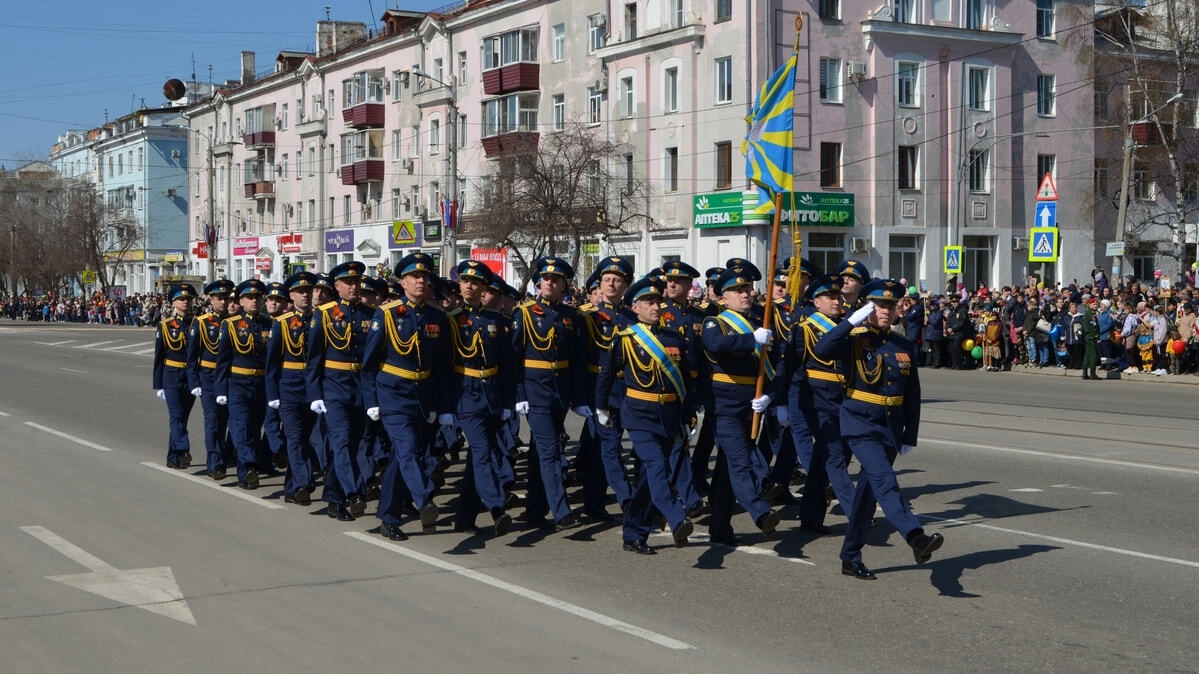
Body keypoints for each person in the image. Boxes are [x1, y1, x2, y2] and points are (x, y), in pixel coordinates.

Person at [812, 279, 944, 580]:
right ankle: (916, 537)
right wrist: (849, 322)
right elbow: (823, 348)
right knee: (885, 480)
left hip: (890, 426)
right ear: (867, 307)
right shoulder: (854, 338)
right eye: (879, 305)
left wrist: (910, 435)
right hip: (859, 423)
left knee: (867, 497)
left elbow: (913, 393)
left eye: (890, 305)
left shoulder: (903, 344)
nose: (886, 310)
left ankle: (850, 556)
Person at [596, 277, 696, 554]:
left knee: (648, 478)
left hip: (668, 414)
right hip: (639, 415)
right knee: (657, 467)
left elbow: (685, 381)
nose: (655, 307)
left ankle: (633, 533)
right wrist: (601, 408)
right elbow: (605, 375)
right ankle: (677, 518)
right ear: (635, 308)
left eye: (657, 302)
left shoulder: (673, 338)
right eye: (649, 303)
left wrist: (688, 417)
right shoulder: (625, 339)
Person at [359, 254, 450, 540]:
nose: (421, 281)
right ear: (403, 282)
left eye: (425, 277)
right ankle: (425, 500)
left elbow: (441, 366)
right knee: (408, 449)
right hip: (393, 394)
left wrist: (439, 404)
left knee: (402, 458)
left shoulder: (437, 316)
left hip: (422, 395)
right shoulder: (387, 314)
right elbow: (369, 363)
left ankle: (388, 517)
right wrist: (372, 401)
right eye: (414, 277)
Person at [701, 264, 781, 546]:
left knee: (725, 470)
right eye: (737, 290)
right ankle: (760, 513)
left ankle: (719, 526)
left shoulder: (761, 321)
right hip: (725, 404)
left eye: (747, 289)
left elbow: (774, 365)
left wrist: (771, 396)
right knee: (740, 461)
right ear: (724, 298)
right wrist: (751, 340)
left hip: (752, 403)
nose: (744, 294)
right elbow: (715, 345)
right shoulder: (716, 322)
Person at [511, 256, 589, 532]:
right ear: (539, 282)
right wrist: (519, 392)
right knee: (550, 452)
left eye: (556, 280)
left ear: (564, 285)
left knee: (539, 452)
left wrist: (578, 399)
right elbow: (514, 358)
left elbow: (577, 362)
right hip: (535, 391)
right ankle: (561, 510)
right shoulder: (525, 314)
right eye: (546, 278)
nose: (550, 283)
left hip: (560, 392)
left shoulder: (571, 317)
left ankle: (535, 509)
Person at [780, 274, 856, 535]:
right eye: (830, 297)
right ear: (816, 301)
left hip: (841, 399)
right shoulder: (804, 329)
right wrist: (780, 402)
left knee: (825, 459)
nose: (837, 301)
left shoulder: (845, 326)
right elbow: (790, 368)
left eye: (838, 296)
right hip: (814, 400)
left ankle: (811, 517)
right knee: (834, 456)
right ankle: (857, 513)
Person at [446, 260, 515, 537]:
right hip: (465, 394)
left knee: (478, 458)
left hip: (492, 395)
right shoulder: (450, 320)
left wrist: (509, 403)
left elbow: (508, 367)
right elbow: (442, 366)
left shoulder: (497, 321)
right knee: (483, 451)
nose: (469, 286)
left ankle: (464, 516)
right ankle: (497, 507)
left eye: (475, 283)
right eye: (465, 281)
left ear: (484, 289)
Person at [307, 261, 374, 521]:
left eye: (357, 281)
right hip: (333, 387)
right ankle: (355, 492)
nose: (355, 286)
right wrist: (315, 394)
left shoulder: (369, 314)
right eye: (349, 282)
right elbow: (313, 358)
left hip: (360, 389)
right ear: (337, 286)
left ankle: (334, 499)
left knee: (351, 445)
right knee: (343, 442)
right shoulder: (324, 315)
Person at [577, 256, 635, 520]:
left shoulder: (632, 317)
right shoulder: (587, 317)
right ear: (599, 285)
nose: (611, 284)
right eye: (607, 280)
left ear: (625, 285)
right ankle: (626, 499)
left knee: (601, 448)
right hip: (597, 387)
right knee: (608, 447)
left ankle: (593, 502)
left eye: (617, 280)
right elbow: (580, 357)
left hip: (627, 388)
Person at [265, 271, 319, 505]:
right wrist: (273, 394)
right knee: (295, 438)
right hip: (290, 387)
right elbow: (272, 365)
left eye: (308, 291)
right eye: (300, 292)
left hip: (315, 388)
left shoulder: (322, 319)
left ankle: (291, 488)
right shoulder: (282, 323)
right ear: (292, 296)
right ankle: (302, 484)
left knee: (307, 439)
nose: (305, 295)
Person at [214, 279, 273, 490]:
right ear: (241, 301)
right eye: (249, 297)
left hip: (262, 384)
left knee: (255, 428)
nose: (254, 301)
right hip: (238, 383)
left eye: (257, 297)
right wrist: (221, 389)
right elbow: (223, 361)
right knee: (241, 427)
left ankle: (247, 468)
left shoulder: (269, 325)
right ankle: (248, 467)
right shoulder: (230, 325)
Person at [187, 280, 236, 479]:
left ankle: (227, 455)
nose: (223, 302)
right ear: (210, 299)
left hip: (232, 378)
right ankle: (215, 462)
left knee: (231, 420)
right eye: (219, 298)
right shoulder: (201, 322)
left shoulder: (236, 321)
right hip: (209, 377)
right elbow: (191, 357)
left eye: (226, 298)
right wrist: (194, 382)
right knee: (213, 421)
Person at [153, 283, 198, 469]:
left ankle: (173, 458)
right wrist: (158, 384)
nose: (185, 302)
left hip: (191, 377)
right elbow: (159, 356)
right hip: (171, 376)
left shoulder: (198, 324)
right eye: (181, 299)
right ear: (173, 302)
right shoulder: (165, 326)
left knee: (182, 418)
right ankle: (183, 449)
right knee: (176, 416)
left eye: (188, 299)